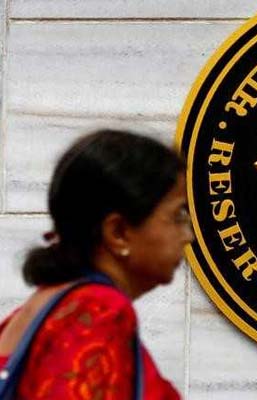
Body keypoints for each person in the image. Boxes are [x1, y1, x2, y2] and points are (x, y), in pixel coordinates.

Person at [0, 129, 193, 399]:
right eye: (177, 216)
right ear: (118, 232)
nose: (188, 235)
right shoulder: (96, 311)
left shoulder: (42, 309)